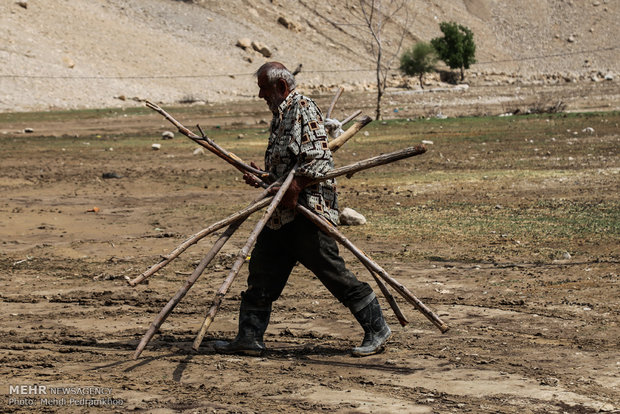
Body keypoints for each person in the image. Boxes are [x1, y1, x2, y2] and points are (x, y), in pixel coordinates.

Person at [213, 62, 390, 357]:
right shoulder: (281, 116)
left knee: (333, 273)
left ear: (281, 88)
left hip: (308, 212)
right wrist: (264, 177)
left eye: (263, 89)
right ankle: (249, 337)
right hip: (281, 214)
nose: (260, 96)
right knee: (262, 272)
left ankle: (378, 329)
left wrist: (293, 190)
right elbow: (287, 168)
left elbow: (318, 161)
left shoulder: (303, 108)